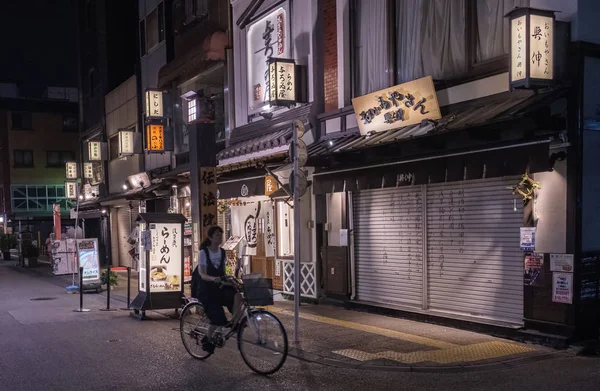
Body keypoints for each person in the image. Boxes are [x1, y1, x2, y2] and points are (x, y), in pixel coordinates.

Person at [195, 225, 242, 353]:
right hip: (206, 289)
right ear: (210, 237)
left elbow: (223, 270)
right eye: (217, 235)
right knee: (218, 318)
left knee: (237, 295)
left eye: (220, 235)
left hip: (219, 286)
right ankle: (207, 339)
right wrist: (213, 279)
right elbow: (202, 274)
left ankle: (234, 323)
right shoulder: (203, 252)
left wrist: (231, 278)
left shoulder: (222, 252)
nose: (220, 237)